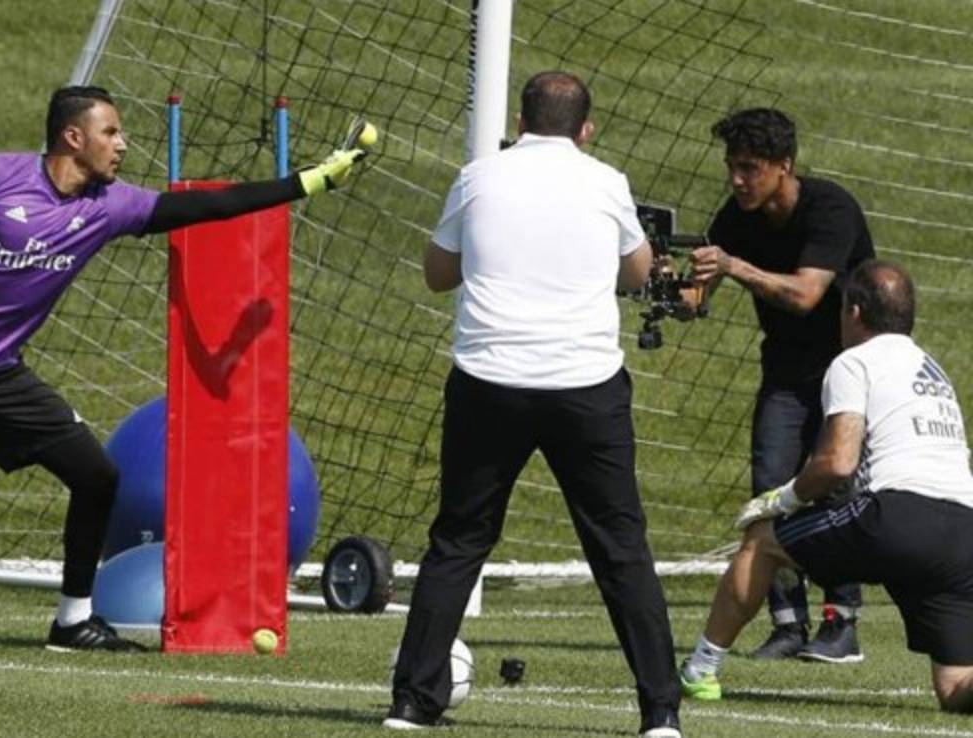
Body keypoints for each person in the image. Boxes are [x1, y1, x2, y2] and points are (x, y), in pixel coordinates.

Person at [0, 85, 362, 651]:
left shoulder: (111, 206)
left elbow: (208, 207)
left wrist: (307, 182)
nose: (122, 145)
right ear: (73, 138)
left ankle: (72, 621)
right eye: (110, 133)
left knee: (97, 477)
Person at [384, 71, 682, 738]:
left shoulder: (479, 177)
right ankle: (660, 711)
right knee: (620, 547)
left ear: (519, 123)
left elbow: (437, 275)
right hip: (585, 385)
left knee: (459, 540)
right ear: (586, 129)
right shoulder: (606, 182)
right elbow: (636, 274)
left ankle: (411, 701)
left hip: (489, 379)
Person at [680, 260, 973, 711]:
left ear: (854, 311)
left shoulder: (854, 361)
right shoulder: (932, 368)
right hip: (963, 533)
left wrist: (781, 499)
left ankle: (699, 669)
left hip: (898, 517)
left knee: (762, 540)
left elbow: (837, 461)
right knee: (956, 688)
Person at [688, 107, 874, 662]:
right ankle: (786, 623)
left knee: (834, 487)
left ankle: (841, 623)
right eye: (732, 167)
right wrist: (666, 289)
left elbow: (805, 295)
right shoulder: (736, 217)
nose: (738, 180)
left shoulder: (830, 209)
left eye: (749, 168)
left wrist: (732, 267)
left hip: (846, 369)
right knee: (769, 487)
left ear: (783, 165)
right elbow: (697, 296)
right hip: (786, 371)